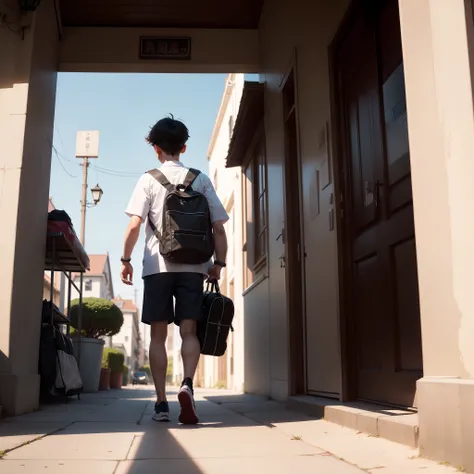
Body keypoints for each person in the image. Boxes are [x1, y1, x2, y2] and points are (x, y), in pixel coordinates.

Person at [120, 116, 228, 424]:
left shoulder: (147, 179)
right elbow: (218, 228)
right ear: (183, 147)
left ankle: (160, 404)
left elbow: (134, 224)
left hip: (157, 267)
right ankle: (187, 385)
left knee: (157, 335)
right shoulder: (202, 179)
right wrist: (218, 264)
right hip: (194, 267)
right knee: (189, 330)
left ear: (155, 148)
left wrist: (125, 260)